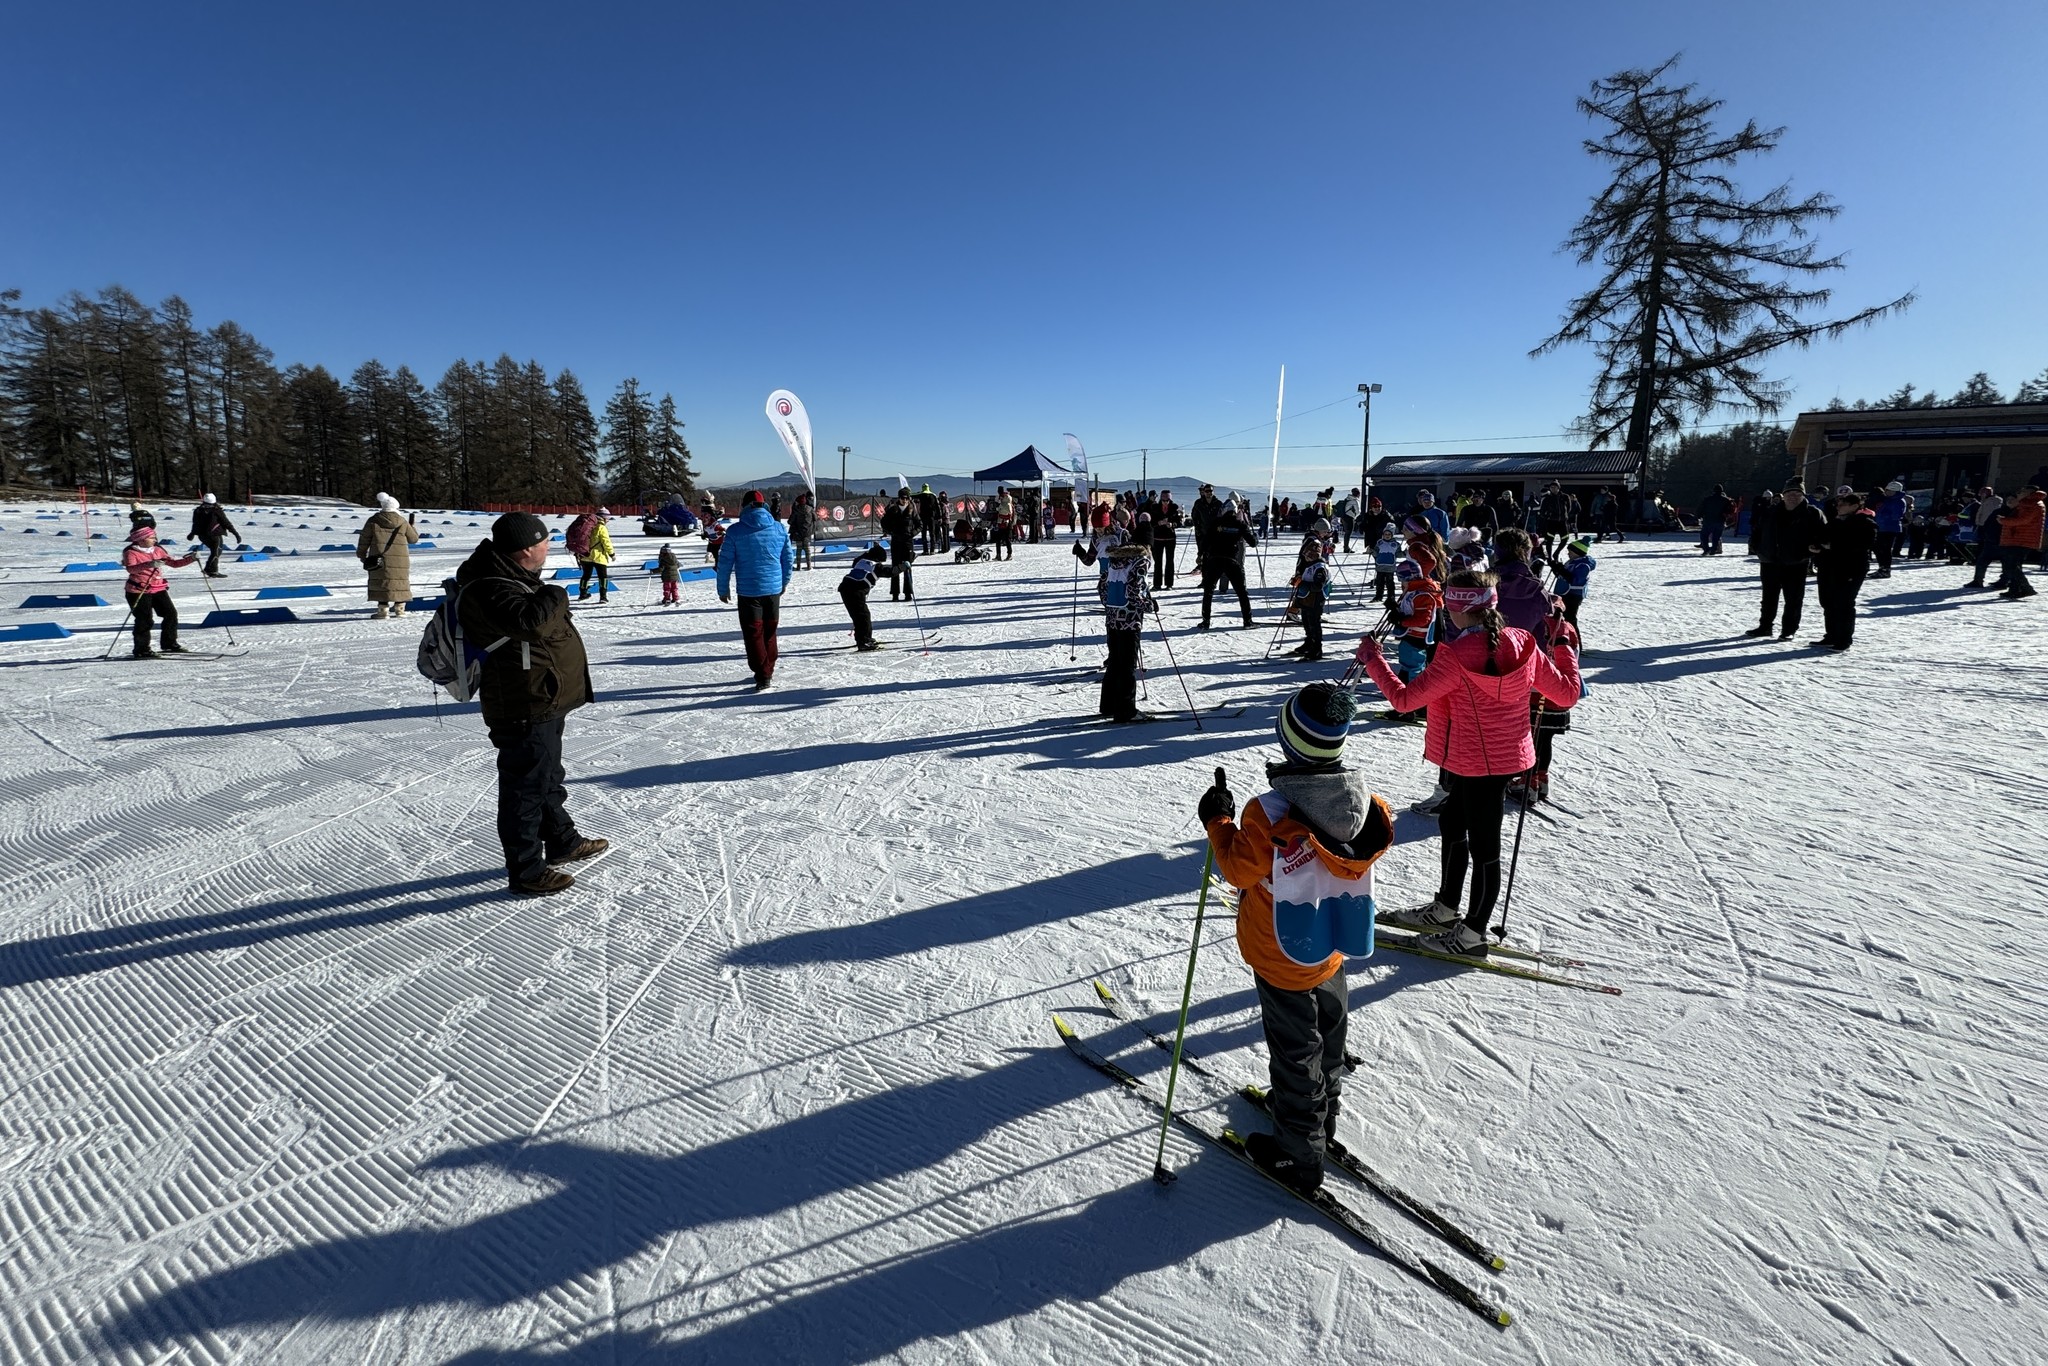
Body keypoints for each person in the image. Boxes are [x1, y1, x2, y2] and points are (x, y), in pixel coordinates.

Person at [1198, 685, 1394, 1193]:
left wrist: (1218, 821)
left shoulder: (1269, 813)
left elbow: (1239, 870)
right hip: (1331, 942)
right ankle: (1317, 1121)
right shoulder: (1367, 806)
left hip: (1281, 950)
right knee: (1327, 1033)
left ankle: (1298, 1155)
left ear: (1287, 743)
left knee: (1294, 1049)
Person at [1359, 571, 1581, 957]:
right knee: (1453, 823)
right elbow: (1567, 691)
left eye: (1448, 604)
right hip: (1491, 758)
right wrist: (1562, 641)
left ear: (1460, 610)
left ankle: (1474, 933)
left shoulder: (1457, 656)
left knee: (1484, 844)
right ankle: (1447, 907)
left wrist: (1374, 660)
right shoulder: (1524, 642)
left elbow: (1405, 700)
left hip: (1478, 761)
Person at [456, 512, 605, 897]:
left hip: (541, 694)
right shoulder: (489, 584)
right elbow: (530, 622)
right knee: (525, 786)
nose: (548, 548)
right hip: (522, 701)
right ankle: (525, 871)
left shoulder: (509, 576)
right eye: (544, 542)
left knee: (546, 775)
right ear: (526, 549)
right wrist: (554, 594)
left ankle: (562, 840)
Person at [716, 489, 795, 690]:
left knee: (754, 634)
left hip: (749, 592)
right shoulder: (778, 528)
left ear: (745, 506)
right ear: (764, 506)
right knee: (770, 631)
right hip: (773, 590)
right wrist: (784, 582)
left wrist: (723, 588)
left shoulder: (735, 531)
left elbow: (725, 562)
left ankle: (763, 673)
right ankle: (769, 667)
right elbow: (788, 559)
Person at [1747, 484, 1827, 639]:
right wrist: (1758, 550)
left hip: (1796, 563)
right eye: (1790, 493)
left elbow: (1823, 534)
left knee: (1793, 599)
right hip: (1770, 561)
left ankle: (1788, 630)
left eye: (1797, 494)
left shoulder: (1812, 513)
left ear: (1803, 496)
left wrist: (1812, 549)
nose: (1793, 496)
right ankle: (1765, 626)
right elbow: (1757, 531)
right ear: (1783, 495)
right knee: (1769, 597)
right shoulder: (1771, 512)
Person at [1091, 537, 1154, 722]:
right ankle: (1126, 709)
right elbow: (1136, 590)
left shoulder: (1114, 560)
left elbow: (1102, 587)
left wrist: (1109, 607)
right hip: (1130, 619)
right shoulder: (1141, 561)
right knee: (1127, 665)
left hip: (1112, 618)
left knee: (1115, 662)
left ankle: (1108, 705)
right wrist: (1149, 605)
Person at [120, 516, 198, 658]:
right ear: (141, 539)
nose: (155, 540)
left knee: (170, 614)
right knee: (145, 620)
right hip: (138, 590)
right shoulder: (131, 552)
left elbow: (173, 563)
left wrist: (190, 559)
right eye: (152, 537)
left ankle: (169, 644)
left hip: (158, 588)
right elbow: (131, 569)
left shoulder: (157, 550)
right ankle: (141, 649)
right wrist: (149, 564)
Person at [1811, 491, 1877, 649]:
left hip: (1851, 568)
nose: (1838, 507)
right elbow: (1822, 538)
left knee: (1844, 603)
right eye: (1837, 504)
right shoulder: (1834, 522)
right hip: (1828, 567)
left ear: (1855, 506)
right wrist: (1817, 547)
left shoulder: (1865, 523)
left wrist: (1833, 546)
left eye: (1843, 504)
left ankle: (1844, 639)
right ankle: (1831, 635)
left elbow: (1863, 545)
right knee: (1827, 601)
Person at [357, 492, 421, 619]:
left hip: (379, 558)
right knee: (400, 582)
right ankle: (400, 609)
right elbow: (413, 539)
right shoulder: (402, 521)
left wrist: (362, 554)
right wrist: (412, 527)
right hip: (400, 560)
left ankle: (383, 611)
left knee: (382, 582)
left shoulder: (373, 520)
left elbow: (364, 539)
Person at [1198, 498, 1256, 630]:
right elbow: (1252, 542)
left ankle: (1205, 621)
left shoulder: (1216, 523)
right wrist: (1255, 537)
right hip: (1232, 561)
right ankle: (1247, 620)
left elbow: (1205, 542)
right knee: (1242, 592)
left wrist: (1201, 554)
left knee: (1208, 591)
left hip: (1215, 560)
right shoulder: (1240, 524)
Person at [1993, 484, 2045, 599]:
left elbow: (2023, 520)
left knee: (2012, 566)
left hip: (2022, 539)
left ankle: (2026, 588)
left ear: (2029, 493)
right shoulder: (2026, 504)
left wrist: (2003, 521)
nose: (2019, 493)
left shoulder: (2033, 504)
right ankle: (2015, 589)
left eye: (2022, 491)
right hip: (2018, 538)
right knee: (2014, 565)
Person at [839, 543, 891, 650]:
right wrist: (905, 565)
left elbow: (857, 559)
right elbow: (891, 572)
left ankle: (862, 638)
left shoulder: (860, 561)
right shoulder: (876, 566)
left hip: (846, 589)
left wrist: (868, 551)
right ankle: (864, 641)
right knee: (863, 616)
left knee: (859, 616)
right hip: (855, 592)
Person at [1287, 538, 1330, 661]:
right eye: (1306, 555)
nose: (1306, 558)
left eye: (1309, 556)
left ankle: (1317, 648)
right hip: (1306, 599)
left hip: (1316, 600)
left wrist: (1302, 584)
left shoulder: (1320, 567)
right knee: (1306, 621)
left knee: (1313, 623)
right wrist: (1298, 580)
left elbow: (1318, 586)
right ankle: (1309, 642)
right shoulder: (1310, 565)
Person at [1545, 537, 1596, 631]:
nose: (1568, 553)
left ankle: (1575, 640)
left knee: (1570, 619)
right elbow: (1562, 576)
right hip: (1564, 593)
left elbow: (1575, 580)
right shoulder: (1572, 562)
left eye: (1570, 551)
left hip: (1573, 595)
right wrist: (1555, 567)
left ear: (1577, 552)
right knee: (1561, 617)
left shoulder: (1583, 565)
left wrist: (1562, 570)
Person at [187, 493, 240, 578]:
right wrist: (235, 534)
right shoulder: (216, 510)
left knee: (215, 552)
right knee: (216, 552)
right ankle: (211, 570)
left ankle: (211, 570)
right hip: (215, 535)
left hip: (202, 536)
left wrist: (192, 533)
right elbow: (226, 523)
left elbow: (196, 524)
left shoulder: (198, 510)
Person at [881, 490, 918, 601]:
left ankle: (908, 593)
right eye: (902, 498)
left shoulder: (912, 510)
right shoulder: (893, 509)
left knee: (907, 567)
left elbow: (919, 524)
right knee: (895, 567)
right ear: (899, 498)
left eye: (906, 498)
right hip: (896, 542)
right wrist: (891, 532)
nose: (905, 500)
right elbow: (884, 522)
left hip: (907, 542)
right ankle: (895, 593)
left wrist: (912, 533)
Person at [1967, 485, 2004, 589]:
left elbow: (1988, 515)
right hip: (1984, 527)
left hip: (1989, 528)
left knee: (1986, 555)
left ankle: (2003, 580)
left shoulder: (1993, 502)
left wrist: (1983, 524)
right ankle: (1978, 579)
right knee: (1983, 555)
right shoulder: (1986, 502)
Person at [1871, 481, 1909, 578]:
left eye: (1889, 490)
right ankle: (1882, 567)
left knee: (1885, 549)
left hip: (1890, 528)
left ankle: (1885, 569)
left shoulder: (1899, 501)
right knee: (1878, 548)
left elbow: (1896, 515)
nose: (1886, 492)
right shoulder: (1887, 499)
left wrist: (1884, 515)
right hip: (1881, 526)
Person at [1151, 489, 1181, 590]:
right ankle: (1157, 584)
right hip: (1158, 538)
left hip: (1170, 538)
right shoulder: (1154, 508)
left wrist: (1172, 524)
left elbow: (1179, 522)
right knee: (1158, 562)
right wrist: (1158, 523)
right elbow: (1151, 522)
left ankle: (1169, 584)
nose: (1165, 502)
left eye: (1167, 500)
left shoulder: (1175, 508)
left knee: (1170, 561)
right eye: (1163, 500)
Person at [1697, 484, 1732, 556]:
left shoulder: (1707, 499)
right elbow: (1730, 510)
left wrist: (1698, 516)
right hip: (1720, 521)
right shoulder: (1726, 500)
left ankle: (1706, 549)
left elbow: (1701, 509)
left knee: (1704, 535)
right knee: (1716, 537)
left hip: (1708, 521)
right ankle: (1713, 550)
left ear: (1713, 491)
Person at [1370, 523, 1401, 603]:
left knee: (1390, 583)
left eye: (1389, 534)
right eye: (1385, 534)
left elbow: (1398, 554)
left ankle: (1391, 597)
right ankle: (1378, 596)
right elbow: (1376, 552)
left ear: (1392, 535)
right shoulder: (1379, 542)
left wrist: (1405, 553)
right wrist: (1372, 552)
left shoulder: (1396, 544)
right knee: (1379, 582)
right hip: (1380, 566)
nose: (1387, 536)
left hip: (1390, 567)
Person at [788, 493, 816, 571]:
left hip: (798, 533)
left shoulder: (796, 510)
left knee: (799, 550)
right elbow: (815, 518)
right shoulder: (810, 509)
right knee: (807, 550)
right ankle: (809, 565)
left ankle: (798, 566)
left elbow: (790, 521)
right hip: (807, 533)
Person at [915, 483, 941, 555]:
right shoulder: (933, 495)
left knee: (924, 533)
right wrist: (939, 517)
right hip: (931, 517)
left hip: (923, 517)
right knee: (932, 533)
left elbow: (912, 495)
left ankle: (925, 550)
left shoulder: (921, 495)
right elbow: (937, 507)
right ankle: (932, 550)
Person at [993, 488, 1016, 561]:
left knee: (1007, 539)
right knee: (998, 539)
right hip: (1002, 522)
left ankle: (1009, 554)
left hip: (1006, 522)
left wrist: (999, 507)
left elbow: (1006, 512)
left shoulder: (1006, 502)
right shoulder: (1003, 500)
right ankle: (998, 555)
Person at [1338, 487, 1362, 552]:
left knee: (1347, 532)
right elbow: (1358, 511)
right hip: (1349, 517)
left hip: (1343, 517)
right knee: (1349, 532)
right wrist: (1356, 517)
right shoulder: (1355, 501)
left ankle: (1346, 546)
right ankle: (1346, 548)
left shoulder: (1347, 499)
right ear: (1358, 494)